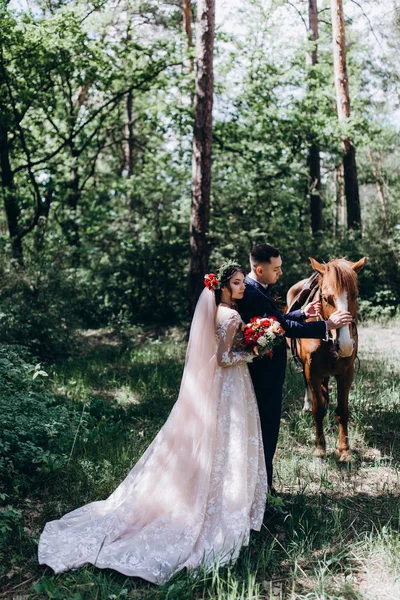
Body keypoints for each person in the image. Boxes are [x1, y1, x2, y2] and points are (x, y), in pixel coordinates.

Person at [38, 262, 267, 584]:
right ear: (225, 287)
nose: (243, 287)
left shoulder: (216, 312)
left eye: (243, 282)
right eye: (238, 283)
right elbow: (224, 358)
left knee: (214, 439)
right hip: (229, 385)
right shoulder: (229, 316)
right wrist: (254, 351)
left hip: (216, 386)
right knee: (226, 439)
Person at [237, 243, 353, 491]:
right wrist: (327, 325)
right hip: (264, 376)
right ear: (259, 270)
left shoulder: (260, 289)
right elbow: (283, 329)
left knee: (268, 432)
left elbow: (277, 320)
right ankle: (264, 491)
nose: (280, 272)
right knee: (267, 432)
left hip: (269, 375)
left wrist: (301, 312)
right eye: (276, 268)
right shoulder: (253, 293)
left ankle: (264, 487)